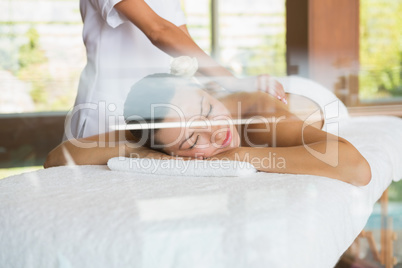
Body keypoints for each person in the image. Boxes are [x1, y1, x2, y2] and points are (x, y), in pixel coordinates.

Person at [48, 73, 372, 186]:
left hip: (311, 98)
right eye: (192, 139)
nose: (215, 133)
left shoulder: (258, 119)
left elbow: (357, 168)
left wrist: (240, 156)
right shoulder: (161, 126)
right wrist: (144, 152)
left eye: (206, 110)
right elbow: (57, 157)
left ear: (206, 92)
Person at [65, 0, 287, 140]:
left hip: (157, 116)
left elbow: (184, 49)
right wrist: (234, 82)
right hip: (107, 112)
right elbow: (158, 31)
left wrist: (219, 90)